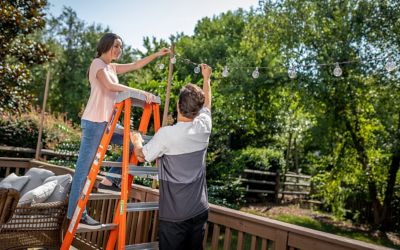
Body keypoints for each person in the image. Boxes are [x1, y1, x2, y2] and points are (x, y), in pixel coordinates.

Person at [67, 32, 170, 227]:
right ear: (105, 45)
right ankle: (76, 214)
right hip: (94, 123)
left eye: (120, 47)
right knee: (83, 170)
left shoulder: (112, 67)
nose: (118, 50)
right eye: (115, 46)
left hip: (109, 124)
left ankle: (110, 180)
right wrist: (140, 92)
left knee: (134, 143)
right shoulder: (97, 64)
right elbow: (110, 85)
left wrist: (156, 54)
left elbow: (135, 65)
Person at [131, 64, 212, 250]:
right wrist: (206, 79)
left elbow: (142, 156)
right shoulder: (204, 127)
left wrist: (136, 140)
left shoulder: (167, 134)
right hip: (200, 209)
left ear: (178, 105)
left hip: (175, 216)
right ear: (198, 110)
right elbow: (208, 105)